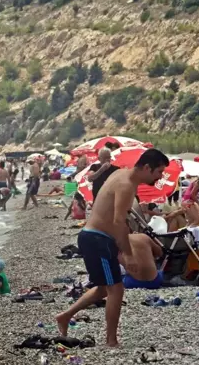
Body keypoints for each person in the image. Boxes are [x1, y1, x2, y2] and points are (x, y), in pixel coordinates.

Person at [56, 148, 169, 347]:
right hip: (98, 239)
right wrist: (128, 254)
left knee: (103, 288)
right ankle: (111, 340)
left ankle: (65, 316)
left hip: (94, 238)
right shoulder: (127, 185)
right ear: (147, 167)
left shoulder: (121, 174)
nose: (160, 177)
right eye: (159, 171)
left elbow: (115, 219)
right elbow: (118, 222)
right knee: (116, 288)